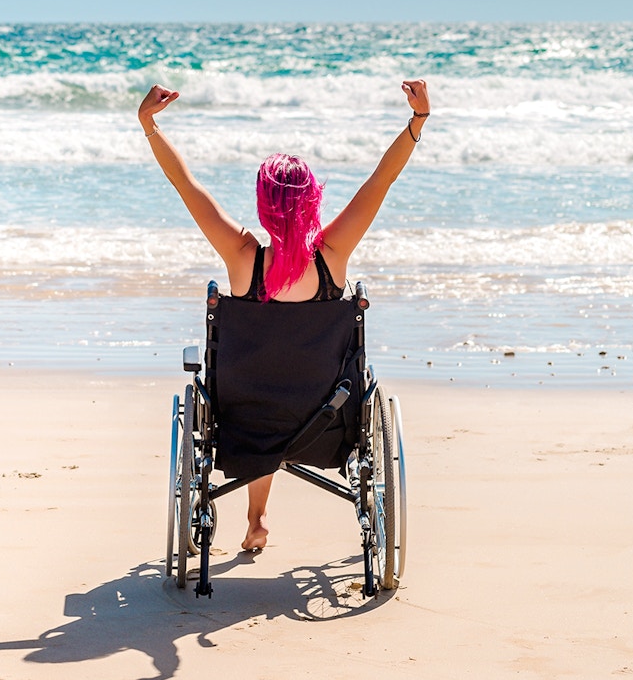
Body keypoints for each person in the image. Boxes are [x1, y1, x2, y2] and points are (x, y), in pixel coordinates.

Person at [138, 80, 430, 551]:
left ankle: (256, 520)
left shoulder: (242, 257)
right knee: (289, 385)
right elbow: (381, 181)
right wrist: (417, 122)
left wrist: (148, 126)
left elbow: (184, 184)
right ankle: (258, 516)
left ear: (263, 204)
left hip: (245, 420)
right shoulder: (332, 255)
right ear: (312, 198)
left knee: (264, 387)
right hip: (326, 422)